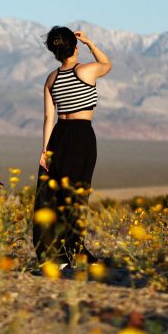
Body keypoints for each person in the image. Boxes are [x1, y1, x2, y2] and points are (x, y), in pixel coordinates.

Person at [32, 27, 111, 267]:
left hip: (58, 136)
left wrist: (45, 151)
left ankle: (55, 254)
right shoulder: (86, 71)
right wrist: (90, 43)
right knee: (76, 194)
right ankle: (75, 250)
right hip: (81, 136)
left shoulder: (51, 78)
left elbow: (48, 117)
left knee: (53, 196)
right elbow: (107, 64)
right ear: (74, 47)